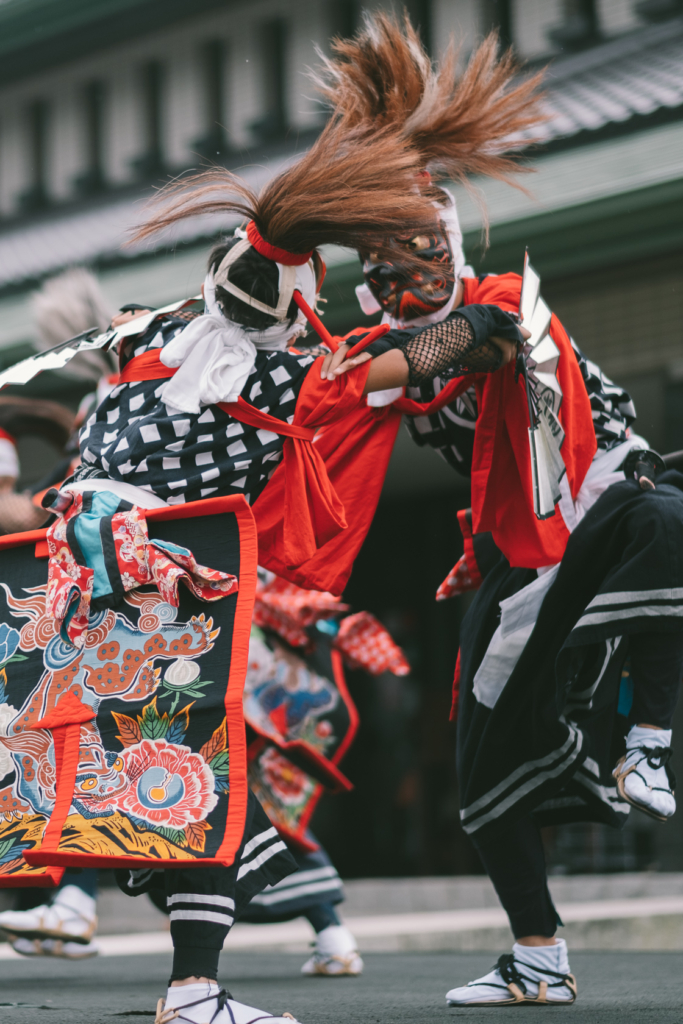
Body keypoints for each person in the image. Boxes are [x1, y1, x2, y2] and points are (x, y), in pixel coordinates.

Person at [0, 105, 524, 1024]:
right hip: (163, 591)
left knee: (88, 768)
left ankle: (177, 960)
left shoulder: (137, 344)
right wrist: (485, 319)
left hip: (66, 578)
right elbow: (430, 352)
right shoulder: (289, 378)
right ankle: (195, 988)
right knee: (196, 785)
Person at [318, 12, 683, 1008]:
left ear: (443, 244)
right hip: (516, 555)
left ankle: (643, 742)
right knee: (478, 766)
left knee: (667, 521)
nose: (398, 280)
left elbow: (442, 355)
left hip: (604, 504)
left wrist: (361, 367)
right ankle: (536, 953)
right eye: (379, 268)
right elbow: (441, 424)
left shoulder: (495, 310)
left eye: (411, 255)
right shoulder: (382, 346)